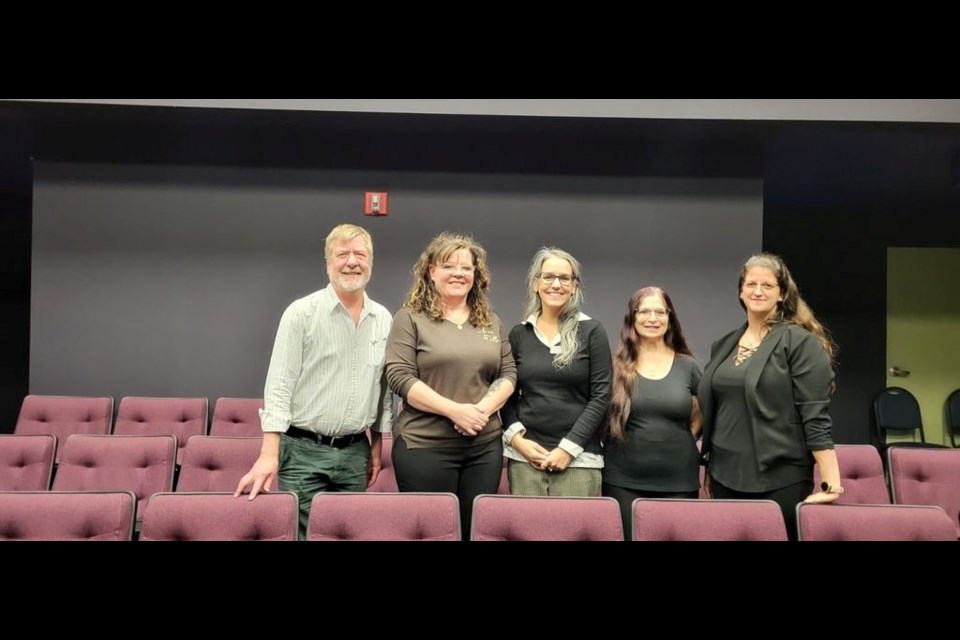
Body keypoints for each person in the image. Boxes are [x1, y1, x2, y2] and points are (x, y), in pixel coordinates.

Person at [234, 223, 392, 540]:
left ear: (370, 263)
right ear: (328, 262)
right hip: (303, 451)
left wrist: (376, 445)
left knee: (348, 534)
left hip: (354, 454)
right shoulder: (301, 313)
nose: (352, 261)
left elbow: (383, 391)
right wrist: (269, 455)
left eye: (360, 254)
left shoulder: (384, 319)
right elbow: (279, 387)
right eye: (342, 254)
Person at [698, 252, 840, 540]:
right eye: (751, 284)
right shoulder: (724, 345)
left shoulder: (801, 343)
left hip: (780, 477)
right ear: (741, 291)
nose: (758, 291)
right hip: (725, 474)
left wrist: (831, 481)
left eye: (767, 285)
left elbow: (814, 414)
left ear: (782, 294)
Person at [385, 231, 516, 536]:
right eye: (449, 265)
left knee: (475, 533)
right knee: (433, 533)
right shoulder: (409, 318)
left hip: (483, 448)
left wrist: (479, 411)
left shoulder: (489, 320)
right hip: (424, 447)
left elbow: (508, 374)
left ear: (475, 274)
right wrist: (455, 411)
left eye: (466, 267)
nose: (458, 273)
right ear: (431, 271)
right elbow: (400, 377)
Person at [500, 247, 611, 497]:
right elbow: (505, 395)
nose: (556, 284)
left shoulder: (592, 331)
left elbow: (601, 396)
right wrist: (517, 441)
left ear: (574, 286)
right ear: (536, 283)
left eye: (565, 278)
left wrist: (568, 449)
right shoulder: (519, 334)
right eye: (548, 277)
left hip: (579, 459)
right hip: (526, 458)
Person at [601, 286, 703, 537]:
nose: (653, 318)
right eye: (644, 311)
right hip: (623, 480)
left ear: (670, 319)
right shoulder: (614, 366)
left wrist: (684, 436)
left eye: (660, 312)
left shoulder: (687, 366)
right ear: (632, 318)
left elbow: (703, 411)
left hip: (679, 479)